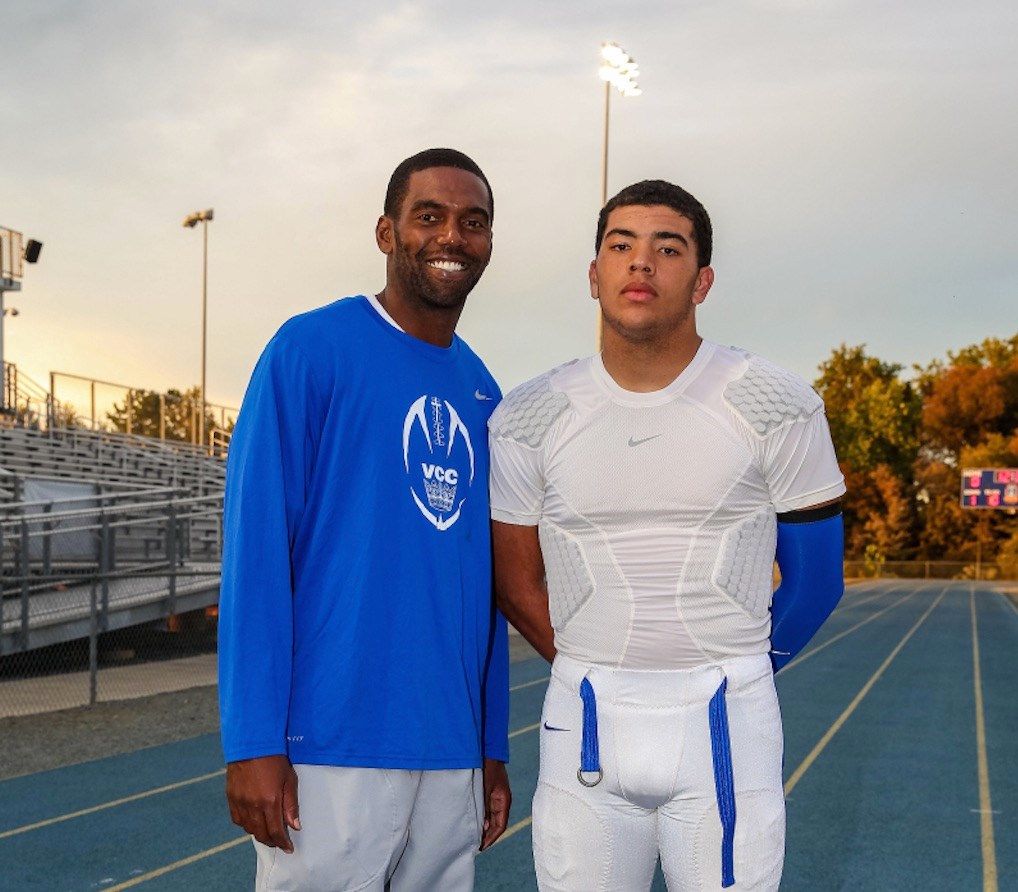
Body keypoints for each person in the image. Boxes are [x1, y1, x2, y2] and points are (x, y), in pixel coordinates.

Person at [489, 180, 845, 891]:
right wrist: (598, 666)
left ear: (702, 280)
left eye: (668, 248)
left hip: (727, 717)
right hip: (585, 718)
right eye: (620, 245)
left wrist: (735, 670)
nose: (641, 263)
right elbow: (516, 582)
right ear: (594, 275)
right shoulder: (527, 416)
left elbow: (817, 582)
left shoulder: (774, 403)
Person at [219, 148, 511, 892]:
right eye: (429, 216)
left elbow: (485, 587)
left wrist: (490, 744)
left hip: (449, 750)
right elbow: (257, 554)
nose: (452, 236)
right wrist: (251, 738)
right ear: (387, 232)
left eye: (473, 222)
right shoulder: (310, 349)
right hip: (331, 742)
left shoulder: (484, 391)